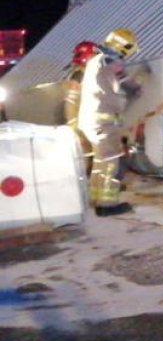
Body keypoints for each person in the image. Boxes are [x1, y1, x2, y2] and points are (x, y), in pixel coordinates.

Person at [77, 29, 142, 216]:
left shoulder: (95, 61)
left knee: (101, 161)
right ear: (124, 46)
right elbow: (124, 82)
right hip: (103, 122)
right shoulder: (110, 61)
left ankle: (95, 198)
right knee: (111, 162)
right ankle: (107, 204)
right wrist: (137, 86)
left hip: (91, 121)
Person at [63, 40, 100, 171]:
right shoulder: (79, 75)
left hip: (83, 121)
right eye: (94, 55)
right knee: (89, 155)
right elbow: (71, 103)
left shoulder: (80, 72)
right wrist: (74, 125)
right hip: (81, 123)